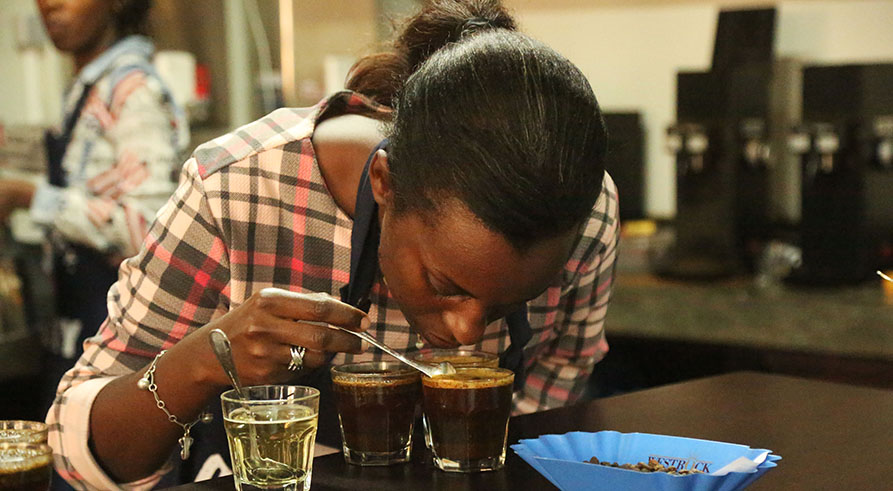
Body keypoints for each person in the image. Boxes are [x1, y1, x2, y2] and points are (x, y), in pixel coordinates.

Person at [47, 0, 618, 488]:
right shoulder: (239, 190)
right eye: (446, 285)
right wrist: (201, 361)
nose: (469, 333)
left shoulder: (587, 217)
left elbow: (554, 395)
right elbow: (77, 453)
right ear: (385, 184)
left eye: (507, 304)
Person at [0, 0, 188, 416]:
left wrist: (29, 197)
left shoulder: (134, 91)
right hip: (74, 328)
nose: (49, 3)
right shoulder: (87, 87)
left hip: (114, 337)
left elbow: (146, 228)